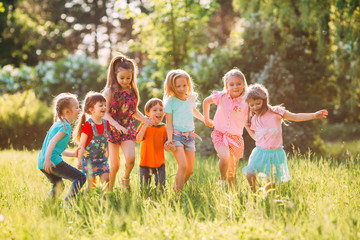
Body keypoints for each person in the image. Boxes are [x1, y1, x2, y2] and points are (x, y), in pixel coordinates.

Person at [242, 83, 328, 192]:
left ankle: (265, 195)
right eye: (251, 105)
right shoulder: (254, 118)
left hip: (275, 154)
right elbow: (256, 138)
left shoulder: (276, 112)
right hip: (259, 153)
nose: (255, 107)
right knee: (250, 174)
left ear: (265, 99)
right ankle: (256, 195)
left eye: (258, 103)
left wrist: (314, 115)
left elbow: (295, 117)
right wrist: (247, 127)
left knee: (272, 184)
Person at [103, 55, 146, 190]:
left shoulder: (132, 91)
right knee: (114, 165)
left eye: (129, 78)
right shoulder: (110, 91)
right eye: (122, 78)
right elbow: (105, 112)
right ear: (115, 74)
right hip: (112, 129)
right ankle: (109, 190)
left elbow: (133, 111)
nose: (125, 81)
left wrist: (145, 119)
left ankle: (125, 178)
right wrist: (116, 124)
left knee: (131, 158)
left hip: (127, 129)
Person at [203, 68, 249, 188]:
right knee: (224, 157)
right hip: (220, 134)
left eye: (238, 84)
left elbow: (253, 116)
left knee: (232, 172)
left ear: (243, 84)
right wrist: (207, 120)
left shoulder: (247, 101)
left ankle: (231, 195)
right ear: (227, 86)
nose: (235, 87)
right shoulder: (221, 96)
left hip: (236, 137)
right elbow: (205, 102)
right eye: (232, 84)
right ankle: (221, 181)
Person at [38, 93, 86, 205]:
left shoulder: (58, 124)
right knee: (80, 177)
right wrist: (48, 160)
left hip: (42, 162)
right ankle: (68, 203)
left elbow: (56, 147)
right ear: (67, 112)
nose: (79, 110)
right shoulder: (66, 127)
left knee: (58, 186)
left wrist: (73, 154)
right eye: (77, 107)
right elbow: (52, 142)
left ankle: (47, 207)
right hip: (51, 162)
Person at [164, 69, 205, 191]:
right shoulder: (170, 102)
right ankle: (178, 196)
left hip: (189, 137)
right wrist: (170, 140)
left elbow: (194, 111)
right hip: (176, 137)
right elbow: (169, 123)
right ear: (172, 86)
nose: (182, 89)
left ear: (188, 85)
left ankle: (176, 188)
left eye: (184, 85)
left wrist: (205, 120)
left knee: (190, 170)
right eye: (178, 86)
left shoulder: (190, 98)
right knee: (183, 166)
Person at [73, 92, 110, 192]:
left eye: (105, 105)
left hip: (102, 159)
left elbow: (106, 140)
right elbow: (81, 145)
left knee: (106, 180)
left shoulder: (107, 124)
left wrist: (108, 153)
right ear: (91, 109)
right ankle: (84, 198)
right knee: (92, 187)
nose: (104, 107)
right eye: (100, 105)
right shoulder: (88, 126)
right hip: (88, 161)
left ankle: (105, 202)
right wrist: (79, 160)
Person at [136, 98, 173, 189]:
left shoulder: (165, 128)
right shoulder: (144, 125)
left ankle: (160, 200)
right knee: (144, 188)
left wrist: (170, 146)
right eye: (155, 110)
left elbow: (167, 148)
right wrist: (145, 124)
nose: (159, 112)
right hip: (145, 163)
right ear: (148, 113)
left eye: (161, 110)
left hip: (160, 164)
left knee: (161, 187)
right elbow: (138, 140)